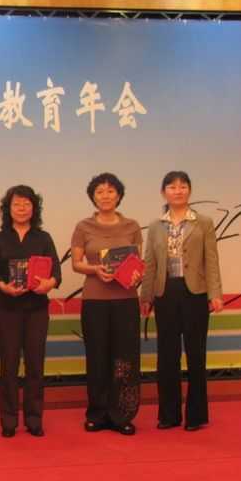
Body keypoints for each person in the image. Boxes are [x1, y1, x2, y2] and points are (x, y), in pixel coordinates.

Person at [140, 171, 223, 432]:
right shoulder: (156, 226)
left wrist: (215, 293)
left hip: (195, 293)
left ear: (189, 190)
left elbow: (211, 260)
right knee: (167, 355)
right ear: (163, 192)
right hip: (165, 293)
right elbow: (150, 263)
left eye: (183, 186)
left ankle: (196, 415)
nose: (178, 191)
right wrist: (146, 295)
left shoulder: (203, 222)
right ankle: (169, 414)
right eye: (172, 187)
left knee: (196, 354)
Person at [71, 172, 142, 436]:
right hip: (95, 301)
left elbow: (138, 264)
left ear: (119, 195)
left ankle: (122, 414)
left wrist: (136, 275)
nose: (105, 196)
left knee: (125, 359)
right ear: (93, 196)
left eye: (111, 191)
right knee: (97, 356)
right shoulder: (83, 227)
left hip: (126, 300)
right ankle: (97, 413)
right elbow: (76, 263)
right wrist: (95, 270)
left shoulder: (132, 226)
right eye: (100, 191)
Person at [0, 185, 61, 438]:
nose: (21, 209)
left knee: (35, 365)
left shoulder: (43, 238)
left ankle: (34, 418)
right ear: (8, 209)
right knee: (8, 365)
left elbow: (56, 271)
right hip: (7, 308)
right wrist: (3, 287)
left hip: (36, 309)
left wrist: (48, 284)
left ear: (34, 208)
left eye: (27, 204)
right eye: (16, 204)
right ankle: (8, 420)